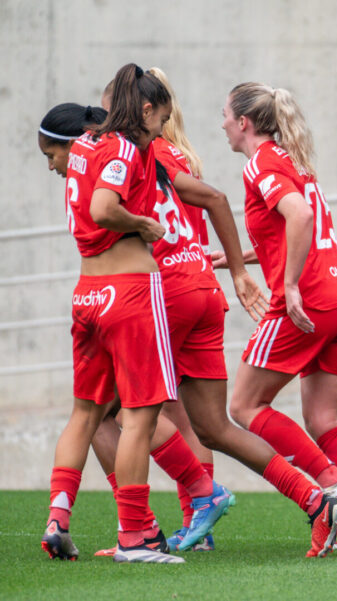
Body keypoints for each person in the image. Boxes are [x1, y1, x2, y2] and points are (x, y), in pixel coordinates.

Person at [41, 63, 182, 564]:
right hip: (128, 292)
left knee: (85, 413)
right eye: (162, 118)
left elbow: (83, 194)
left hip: (88, 294)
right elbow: (104, 208)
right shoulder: (122, 146)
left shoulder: (83, 148)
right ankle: (135, 537)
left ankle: (59, 517)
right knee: (140, 418)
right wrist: (144, 222)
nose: (163, 129)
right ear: (145, 109)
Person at [223, 82, 337, 557]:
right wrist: (239, 258)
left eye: (225, 115)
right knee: (323, 418)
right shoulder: (292, 161)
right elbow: (289, 226)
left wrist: (285, 286)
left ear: (244, 122)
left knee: (243, 406)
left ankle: (331, 484)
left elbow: (300, 217)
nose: (222, 124)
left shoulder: (261, 163)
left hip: (311, 302)